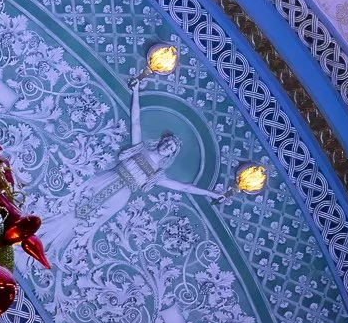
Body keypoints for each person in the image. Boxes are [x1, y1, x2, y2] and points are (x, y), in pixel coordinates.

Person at [37, 75, 223, 290]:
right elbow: (135, 120)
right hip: (111, 177)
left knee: (87, 220)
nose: (168, 147)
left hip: (121, 194)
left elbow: (184, 187)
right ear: (162, 140)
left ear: (171, 155)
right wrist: (136, 91)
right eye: (168, 142)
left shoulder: (158, 174)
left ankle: (56, 242)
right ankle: (47, 224)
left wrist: (211, 194)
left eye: (172, 148)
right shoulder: (140, 148)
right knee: (78, 202)